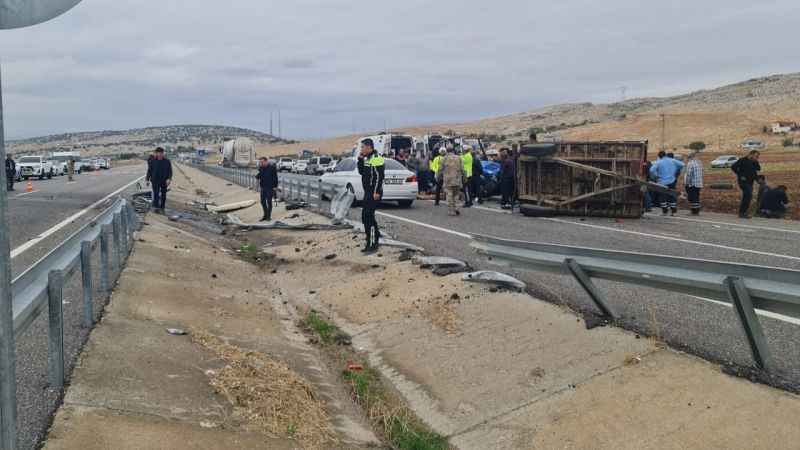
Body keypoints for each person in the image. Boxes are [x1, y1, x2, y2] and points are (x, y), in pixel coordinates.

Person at [357, 139, 384, 253]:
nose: (361, 149)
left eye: (362, 147)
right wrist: (360, 160)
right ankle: (375, 236)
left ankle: (373, 242)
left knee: (368, 217)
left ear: (369, 147)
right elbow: (361, 172)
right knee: (365, 217)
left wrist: (376, 191)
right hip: (367, 192)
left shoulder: (376, 158)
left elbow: (379, 176)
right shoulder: (367, 158)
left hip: (374, 192)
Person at [649, 150, 684, 216]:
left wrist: (656, 176)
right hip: (672, 181)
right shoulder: (672, 160)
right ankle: (674, 212)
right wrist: (676, 170)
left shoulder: (659, 162)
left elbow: (651, 170)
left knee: (663, 197)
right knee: (672, 195)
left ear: (659, 156)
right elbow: (682, 164)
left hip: (662, 182)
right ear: (665, 155)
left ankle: (664, 212)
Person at [731, 150, 761, 218]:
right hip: (743, 182)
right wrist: (740, 175)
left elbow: (758, 169)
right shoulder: (742, 160)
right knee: (748, 194)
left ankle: (743, 212)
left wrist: (755, 162)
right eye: (756, 156)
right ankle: (742, 213)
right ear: (751, 154)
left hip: (751, 182)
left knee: (748, 196)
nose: (757, 157)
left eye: (757, 157)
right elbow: (733, 167)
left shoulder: (754, 162)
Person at [438, 146, 466, 216]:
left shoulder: (443, 159)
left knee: (449, 194)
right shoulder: (459, 158)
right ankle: (457, 208)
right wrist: (465, 178)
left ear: (447, 151)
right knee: (456, 195)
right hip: (457, 179)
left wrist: (439, 177)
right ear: (453, 151)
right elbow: (463, 169)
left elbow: (440, 169)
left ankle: (451, 210)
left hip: (448, 180)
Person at [146, 147, 173, 214]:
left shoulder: (167, 161)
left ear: (163, 153)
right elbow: (149, 171)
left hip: (164, 181)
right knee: (156, 194)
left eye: (161, 153)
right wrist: (147, 179)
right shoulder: (152, 161)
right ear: (156, 153)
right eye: (159, 153)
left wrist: (169, 179)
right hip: (155, 180)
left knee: (164, 194)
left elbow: (170, 171)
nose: (160, 154)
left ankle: (162, 207)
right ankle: (156, 208)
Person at [255, 157, 279, 221]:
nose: (261, 163)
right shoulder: (261, 168)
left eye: (262, 162)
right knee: (262, 202)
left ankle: (268, 216)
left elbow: (275, 178)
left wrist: (275, 187)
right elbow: (258, 176)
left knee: (269, 202)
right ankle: (265, 215)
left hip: (270, 188)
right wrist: (257, 186)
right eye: (260, 162)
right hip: (263, 187)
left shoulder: (272, 168)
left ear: (266, 161)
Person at [684, 150, 703, 215]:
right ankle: (697, 210)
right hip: (699, 183)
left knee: (692, 198)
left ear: (689, 157)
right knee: (696, 197)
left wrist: (686, 183)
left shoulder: (690, 163)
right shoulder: (699, 162)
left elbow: (689, 175)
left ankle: (694, 212)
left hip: (692, 184)